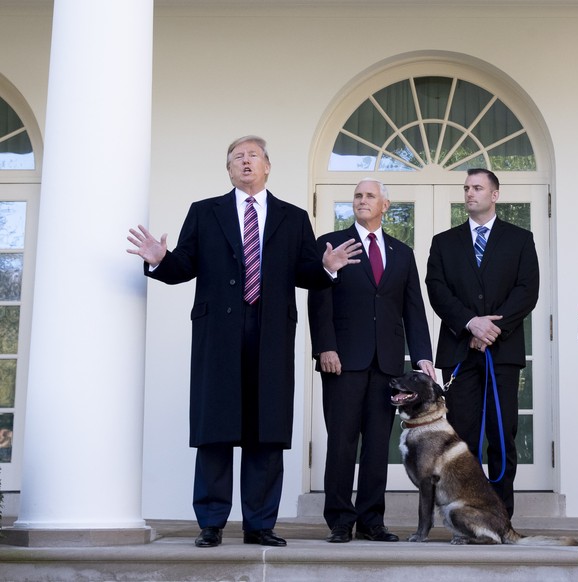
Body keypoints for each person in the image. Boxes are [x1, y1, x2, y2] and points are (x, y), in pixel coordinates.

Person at [126, 135, 361, 548]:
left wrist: (327, 268)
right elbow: (184, 266)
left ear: (268, 166)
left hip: (271, 333)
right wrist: (160, 259)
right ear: (229, 169)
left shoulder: (293, 217)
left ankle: (260, 524)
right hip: (218, 335)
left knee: (265, 430)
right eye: (237, 157)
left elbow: (307, 273)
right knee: (216, 428)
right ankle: (211, 523)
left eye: (253, 155)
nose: (246, 161)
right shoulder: (205, 212)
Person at [308, 179, 436, 544]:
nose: (362, 201)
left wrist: (423, 355)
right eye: (358, 196)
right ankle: (339, 521)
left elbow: (413, 308)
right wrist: (325, 348)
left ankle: (371, 520)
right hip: (343, 360)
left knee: (378, 445)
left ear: (385, 205)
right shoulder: (333, 245)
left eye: (369, 196)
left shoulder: (401, 252)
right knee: (342, 442)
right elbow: (319, 301)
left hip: (388, 365)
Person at [425, 168, 539, 518]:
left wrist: (492, 330)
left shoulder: (520, 239)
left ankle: (501, 516)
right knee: (463, 439)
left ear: (495, 194)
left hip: (502, 355)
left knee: (502, 435)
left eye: (477, 187)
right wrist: (470, 324)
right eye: (466, 188)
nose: (470, 193)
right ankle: (465, 515)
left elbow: (527, 291)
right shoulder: (444, 242)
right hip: (460, 352)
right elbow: (437, 289)